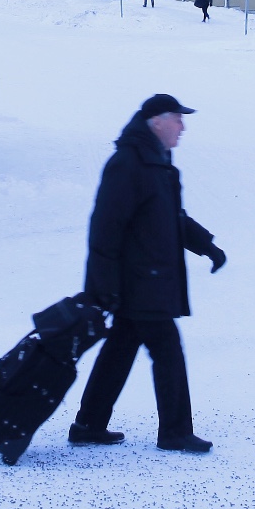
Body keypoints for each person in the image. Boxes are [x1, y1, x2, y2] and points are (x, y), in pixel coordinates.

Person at [69, 93, 226, 453]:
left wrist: (208, 246)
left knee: (119, 351)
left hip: (147, 282)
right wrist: (103, 287)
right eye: (177, 118)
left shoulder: (156, 162)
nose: (183, 127)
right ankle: (174, 431)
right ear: (157, 121)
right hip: (139, 282)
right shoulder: (129, 163)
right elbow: (104, 229)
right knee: (168, 352)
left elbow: (174, 219)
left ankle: (88, 424)